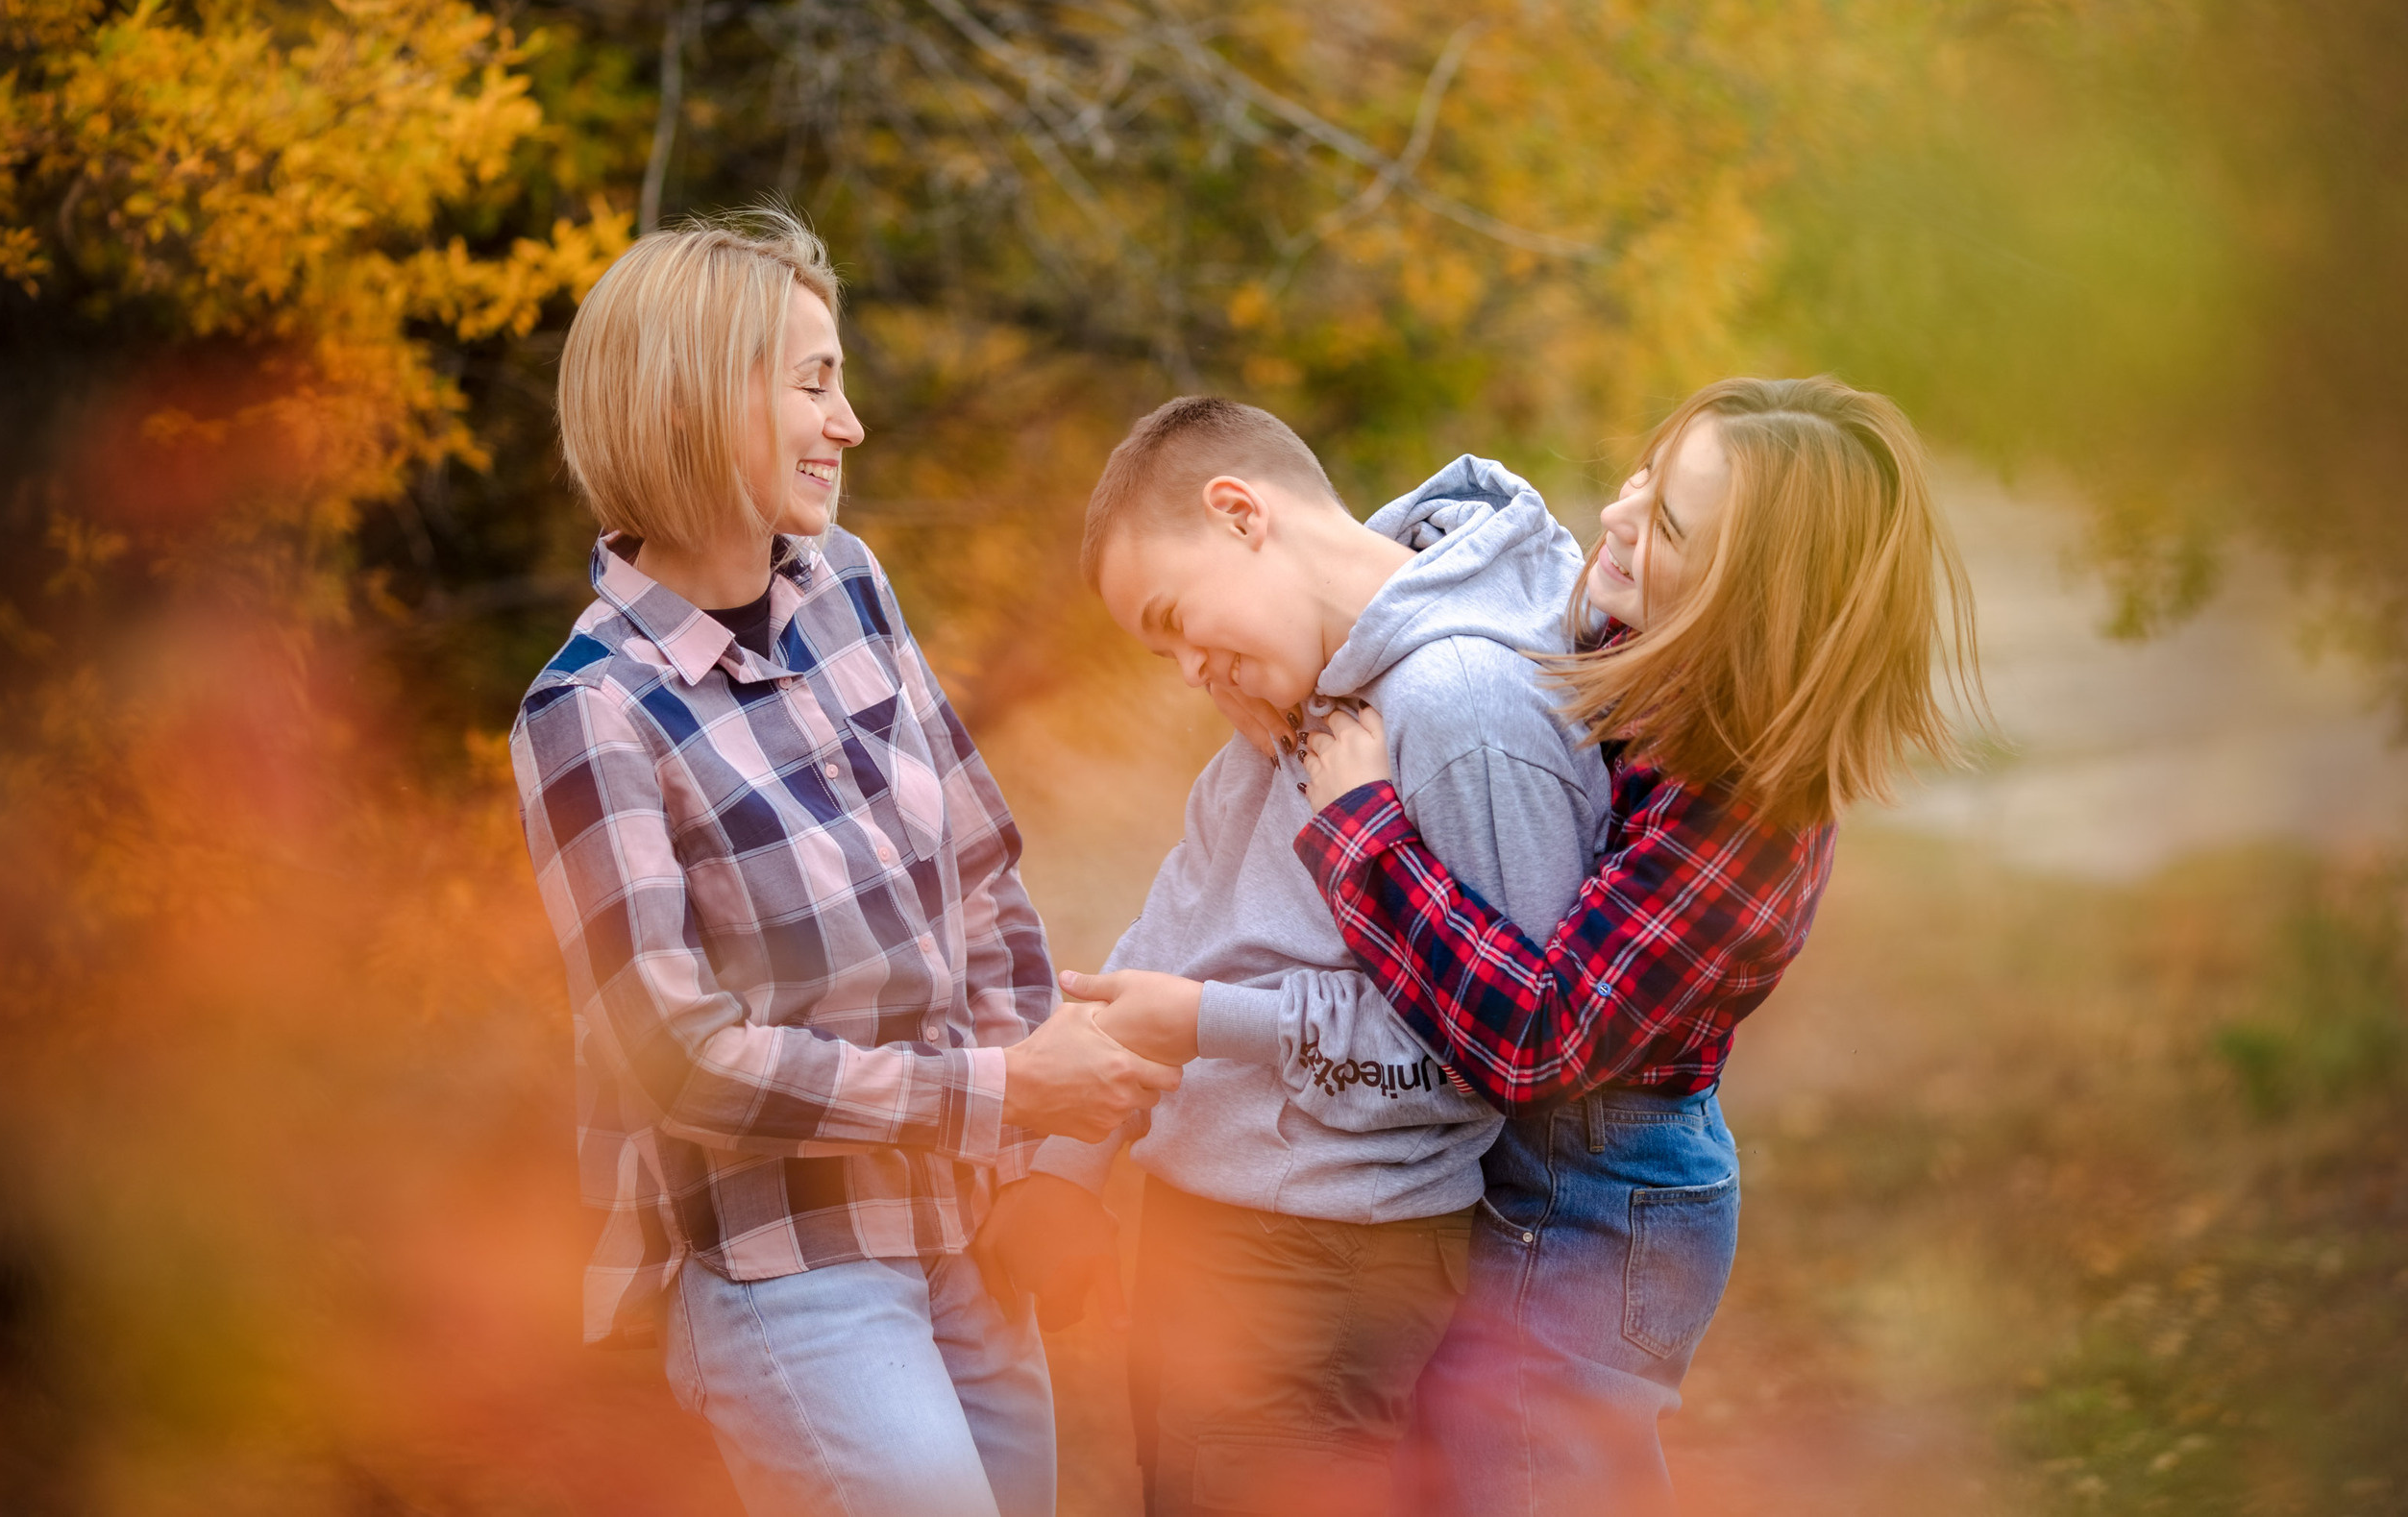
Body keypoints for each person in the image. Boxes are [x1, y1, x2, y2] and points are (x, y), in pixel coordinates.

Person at [507, 208, 1182, 1517]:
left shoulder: (847, 584)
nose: (849, 420)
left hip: (960, 1227)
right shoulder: (588, 710)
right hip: (790, 1270)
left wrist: (1029, 1160)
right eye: (814, 381)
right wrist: (1000, 1090)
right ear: (697, 397)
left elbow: (980, 870)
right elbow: (675, 1053)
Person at [1269, 375, 1985, 1514]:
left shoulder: (1748, 811)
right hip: (1537, 1163)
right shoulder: (1638, 648)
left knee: (1525, 1477)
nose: (1617, 514)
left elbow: (1538, 1039)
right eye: (1646, 473)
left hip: (1604, 1195)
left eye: (1668, 528)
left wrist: (1363, 829)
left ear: (1751, 602)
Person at [973, 396, 1612, 1517]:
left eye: (1173, 615)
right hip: (1215, 1236)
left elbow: (1497, 1057)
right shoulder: (1294, 699)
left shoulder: (1462, 708)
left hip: (1320, 1257)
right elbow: (1177, 935)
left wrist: (1212, 1024)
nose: (1183, 668)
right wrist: (1070, 1168)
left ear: (1238, 514)